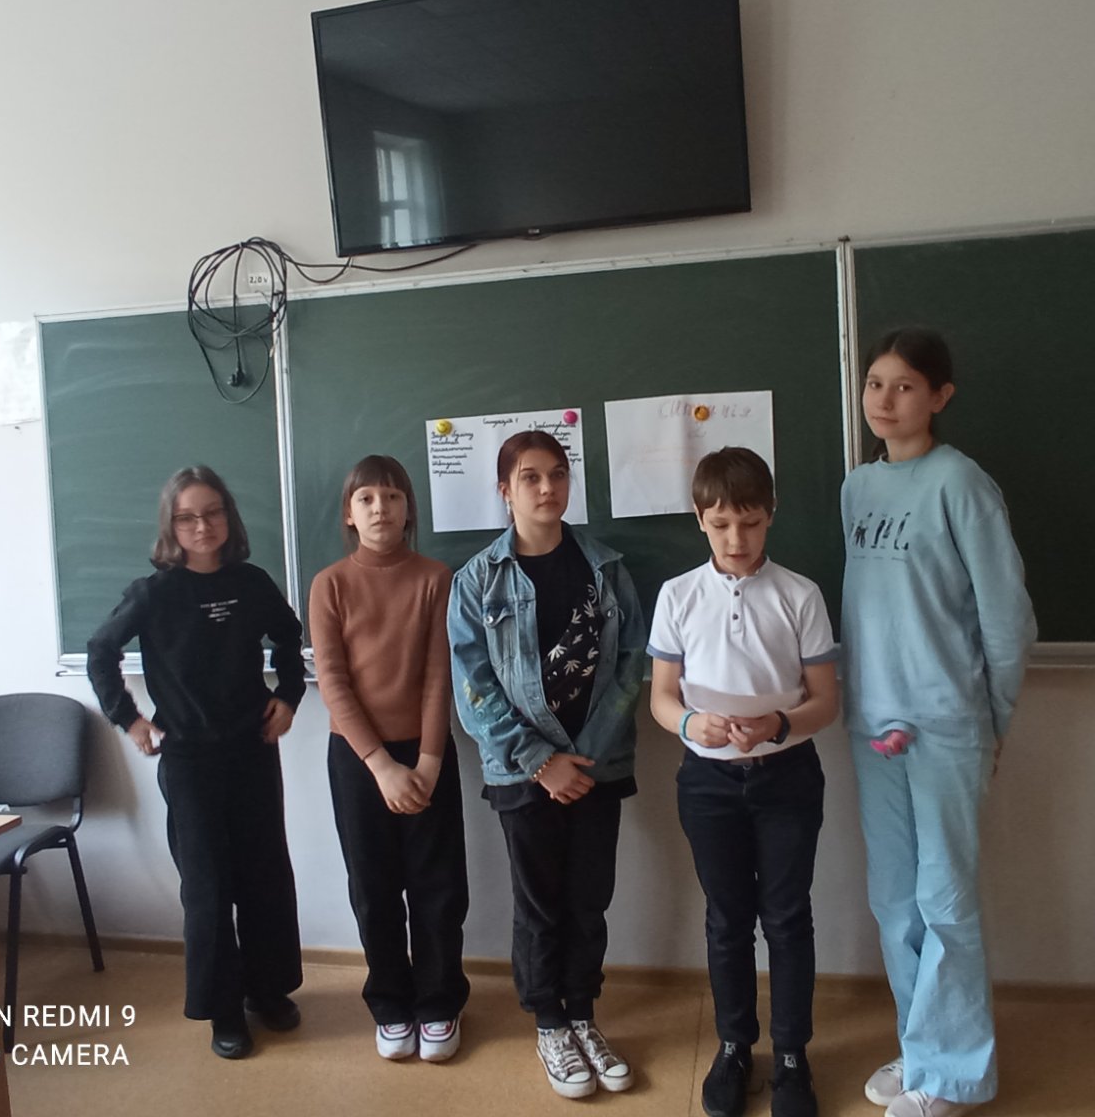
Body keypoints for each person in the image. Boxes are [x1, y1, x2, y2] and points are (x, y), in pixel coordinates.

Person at [841, 330, 1036, 1117]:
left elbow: (1006, 618)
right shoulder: (857, 488)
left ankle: (955, 1077)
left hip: (947, 724)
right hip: (872, 722)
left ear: (940, 396)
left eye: (905, 386)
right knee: (894, 899)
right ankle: (923, 1048)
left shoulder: (961, 482)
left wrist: (994, 722)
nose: (885, 400)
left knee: (944, 899)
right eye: (875, 383)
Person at [446, 430, 645, 1100]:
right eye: (529, 477)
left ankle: (584, 1014)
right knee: (539, 906)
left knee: (589, 900)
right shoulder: (477, 581)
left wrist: (583, 756)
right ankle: (551, 1024)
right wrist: (540, 761)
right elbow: (473, 687)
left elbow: (631, 664)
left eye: (557, 474)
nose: (546, 487)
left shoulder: (606, 569)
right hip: (520, 771)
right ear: (505, 490)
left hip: (596, 765)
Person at [86, 464, 306, 1061]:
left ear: (228, 517)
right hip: (188, 760)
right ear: (171, 525)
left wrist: (289, 697)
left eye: (212, 513)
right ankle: (224, 1009)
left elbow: (290, 639)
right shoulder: (153, 593)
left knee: (264, 876)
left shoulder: (252, 583)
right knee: (208, 889)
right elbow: (101, 650)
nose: (202, 526)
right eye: (188, 517)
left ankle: (267, 991)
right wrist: (129, 719)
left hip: (253, 751)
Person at [647, 447, 840, 1117]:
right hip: (707, 784)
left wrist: (779, 724)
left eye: (751, 523)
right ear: (700, 519)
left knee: (786, 917)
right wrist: (690, 723)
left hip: (787, 778)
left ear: (771, 517)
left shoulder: (800, 595)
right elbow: (661, 697)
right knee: (727, 918)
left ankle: (791, 1056)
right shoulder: (677, 595)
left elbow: (826, 700)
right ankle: (734, 1046)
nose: (737, 539)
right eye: (722, 524)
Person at [309, 455, 469, 1063]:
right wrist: (380, 765)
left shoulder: (436, 578)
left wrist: (426, 762)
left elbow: (438, 675)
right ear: (350, 515)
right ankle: (390, 1003)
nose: (381, 509)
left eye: (393, 497)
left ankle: (440, 1002)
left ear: (409, 509)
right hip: (358, 759)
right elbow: (332, 681)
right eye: (367, 499)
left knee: (438, 887)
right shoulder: (330, 584)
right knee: (373, 888)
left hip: (427, 753)